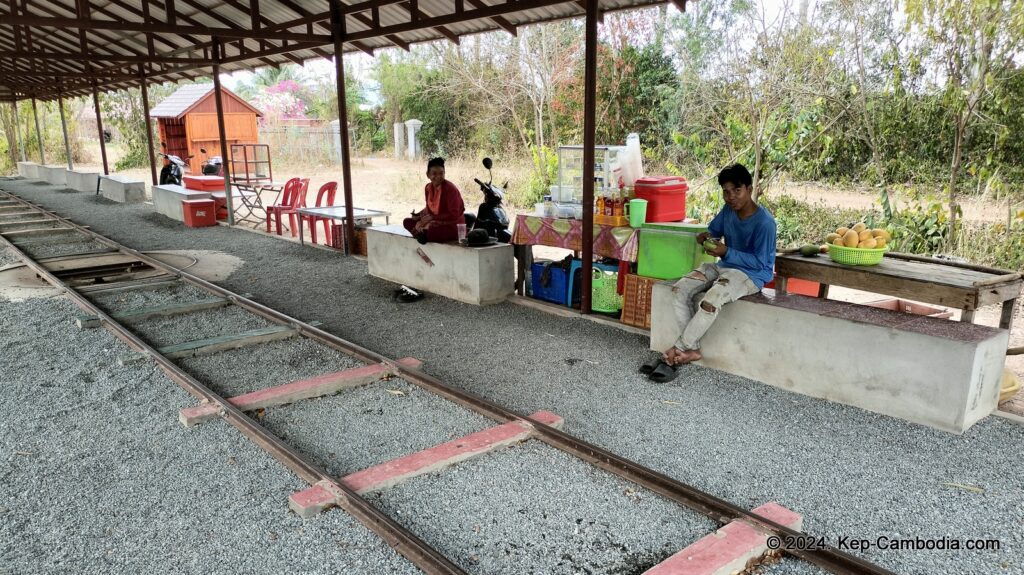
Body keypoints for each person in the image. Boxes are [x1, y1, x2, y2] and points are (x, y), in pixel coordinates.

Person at [663, 163, 776, 367]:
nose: (731, 196)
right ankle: (693, 349)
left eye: (737, 190)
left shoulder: (765, 223)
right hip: (725, 266)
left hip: (752, 275)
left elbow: (761, 263)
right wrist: (706, 237)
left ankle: (679, 347)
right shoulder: (728, 210)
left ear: (750, 189)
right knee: (678, 290)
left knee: (710, 301)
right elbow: (714, 230)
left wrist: (727, 251)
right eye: (726, 192)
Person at [403, 157, 466, 245]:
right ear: (428, 174)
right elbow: (429, 208)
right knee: (407, 221)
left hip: (451, 226)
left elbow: (454, 215)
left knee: (432, 232)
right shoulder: (428, 188)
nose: (438, 176)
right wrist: (418, 216)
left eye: (441, 173)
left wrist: (431, 219)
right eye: (434, 173)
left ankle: (421, 233)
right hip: (434, 223)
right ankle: (422, 234)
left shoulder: (450, 189)